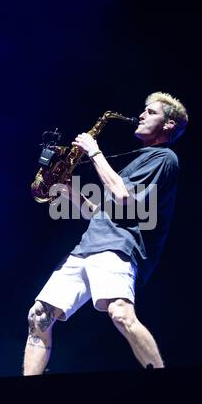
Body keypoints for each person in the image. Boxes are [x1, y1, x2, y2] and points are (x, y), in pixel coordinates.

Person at [23, 92, 188, 375]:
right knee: (38, 316)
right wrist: (70, 192)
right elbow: (99, 213)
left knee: (121, 314)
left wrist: (94, 151)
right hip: (87, 247)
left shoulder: (164, 157)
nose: (142, 115)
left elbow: (123, 198)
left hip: (118, 247)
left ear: (169, 125)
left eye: (150, 112)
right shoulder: (139, 158)